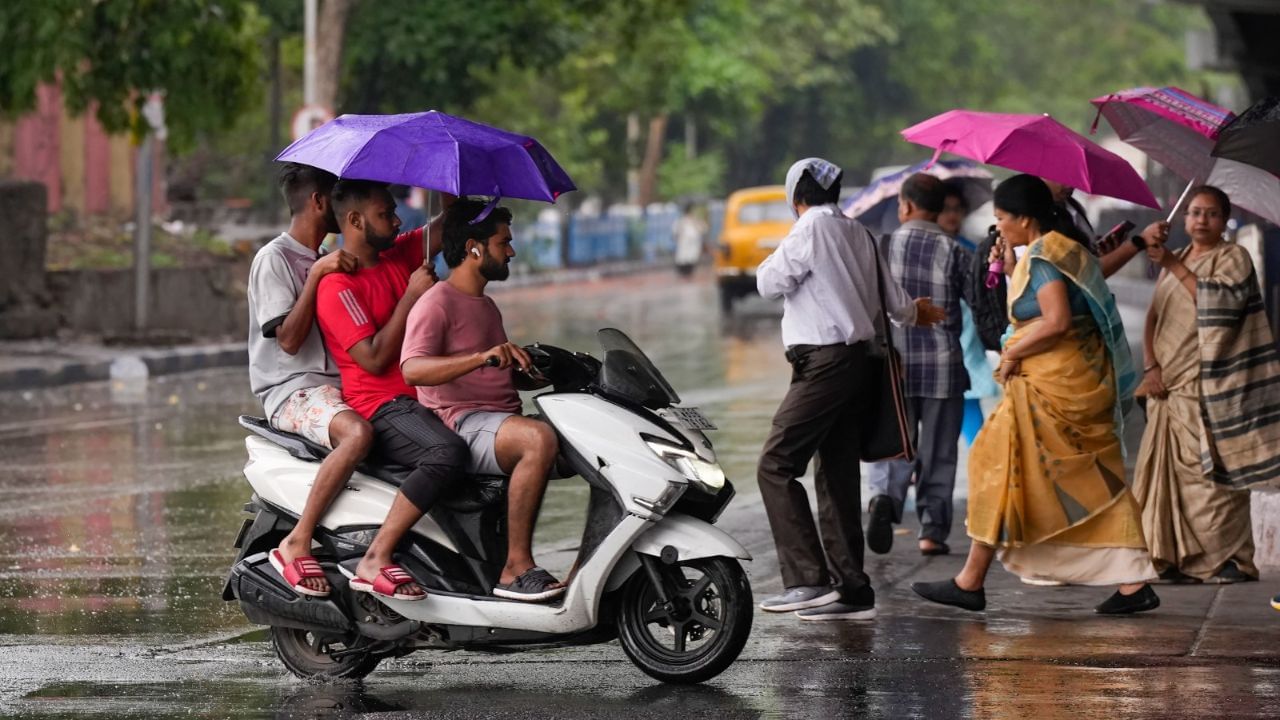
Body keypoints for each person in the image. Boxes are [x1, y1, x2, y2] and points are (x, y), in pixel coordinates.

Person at [912, 174, 1160, 615]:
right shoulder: (1056, 252)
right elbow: (1042, 308)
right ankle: (1130, 580)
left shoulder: (1046, 257)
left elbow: (1057, 320)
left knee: (1016, 465)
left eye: (1003, 218)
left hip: (1055, 386)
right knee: (1049, 474)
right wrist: (1011, 272)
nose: (999, 226)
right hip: (1061, 383)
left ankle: (974, 580)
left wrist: (1013, 354)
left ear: (1024, 218)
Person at [754, 157, 945, 621]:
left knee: (776, 464)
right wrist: (921, 310)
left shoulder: (809, 230)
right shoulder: (859, 233)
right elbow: (899, 307)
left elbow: (767, 283)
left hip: (824, 364)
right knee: (835, 472)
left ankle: (807, 580)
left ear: (795, 196)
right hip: (858, 363)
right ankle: (852, 587)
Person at [400, 197, 565, 602]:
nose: (511, 250)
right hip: (461, 424)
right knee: (538, 439)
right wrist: (480, 357)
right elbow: (412, 369)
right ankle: (516, 567)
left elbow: (487, 370)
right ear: (475, 247)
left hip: (497, 421)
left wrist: (525, 370)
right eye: (503, 242)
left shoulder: (485, 305)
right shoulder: (435, 302)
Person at [315, 179, 469, 602]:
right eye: (386, 214)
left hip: (425, 397)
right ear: (354, 220)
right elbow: (372, 358)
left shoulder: (402, 253)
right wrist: (410, 296)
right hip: (381, 406)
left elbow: (450, 223)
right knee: (448, 453)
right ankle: (376, 557)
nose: (397, 220)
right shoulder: (337, 285)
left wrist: (445, 178)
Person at [1132, 185, 1280, 584]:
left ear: (1224, 220)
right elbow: (1155, 317)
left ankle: (1230, 559)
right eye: (1195, 213)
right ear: (1183, 218)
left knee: (1213, 479)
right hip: (1168, 385)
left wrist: (1172, 267)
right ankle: (1175, 555)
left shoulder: (1233, 257)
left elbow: (1222, 305)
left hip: (1212, 386)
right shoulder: (1176, 257)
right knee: (1173, 479)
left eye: (1211, 214)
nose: (1201, 220)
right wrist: (1151, 366)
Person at [247, 163, 374, 598]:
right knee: (357, 435)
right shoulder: (275, 259)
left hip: (335, 386)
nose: (343, 206)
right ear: (319, 202)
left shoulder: (325, 259)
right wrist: (318, 275)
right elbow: (287, 339)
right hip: (294, 390)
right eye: (334, 197)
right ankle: (297, 541)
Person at [865, 174, 973, 557]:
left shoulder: (882, 245)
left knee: (896, 445)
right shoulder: (957, 251)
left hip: (895, 367)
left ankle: (885, 498)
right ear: (940, 207)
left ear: (906, 206)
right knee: (941, 451)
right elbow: (978, 303)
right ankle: (932, 531)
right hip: (945, 366)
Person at [673, 203, 708, 277]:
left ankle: (689, 272)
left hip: (694, 242)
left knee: (692, 257)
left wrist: (697, 222)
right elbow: (676, 231)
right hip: (684, 242)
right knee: (683, 257)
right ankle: (683, 272)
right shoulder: (682, 221)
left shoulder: (696, 220)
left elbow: (703, 229)